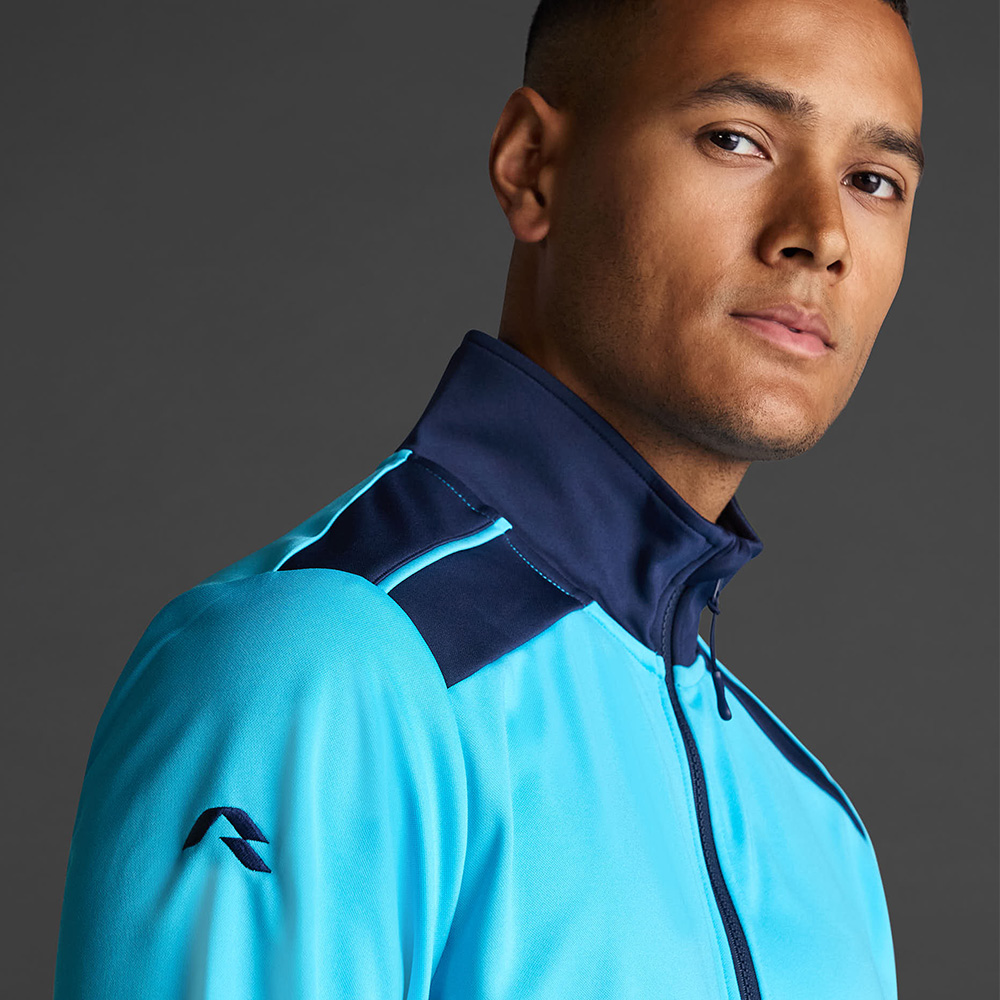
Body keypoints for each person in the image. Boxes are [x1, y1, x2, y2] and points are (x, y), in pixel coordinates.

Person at [53, 0, 923, 996]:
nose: (821, 235)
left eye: (873, 181)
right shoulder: (316, 666)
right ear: (530, 167)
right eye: (736, 139)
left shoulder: (820, 831)